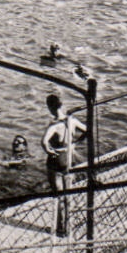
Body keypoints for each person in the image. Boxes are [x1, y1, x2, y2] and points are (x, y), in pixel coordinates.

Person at [42, 93, 83, 235]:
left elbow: (44, 141)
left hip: (57, 159)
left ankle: (60, 228)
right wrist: (76, 143)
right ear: (62, 105)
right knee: (68, 194)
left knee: (58, 196)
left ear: (50, 108)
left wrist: (49, 151)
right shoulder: (72, 121)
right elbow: (88, 130)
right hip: (69, 158)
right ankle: (68, 225)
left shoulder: (54, 125)